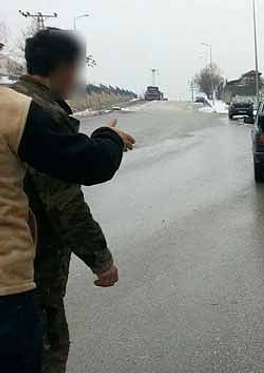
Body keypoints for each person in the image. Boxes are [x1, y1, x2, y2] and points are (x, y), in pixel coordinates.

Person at [0, 28, 135, 372]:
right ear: (64, 68)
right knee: (48, 352)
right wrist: (101, 259)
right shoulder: (25, 112)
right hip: (22, 275)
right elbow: (65, 200)